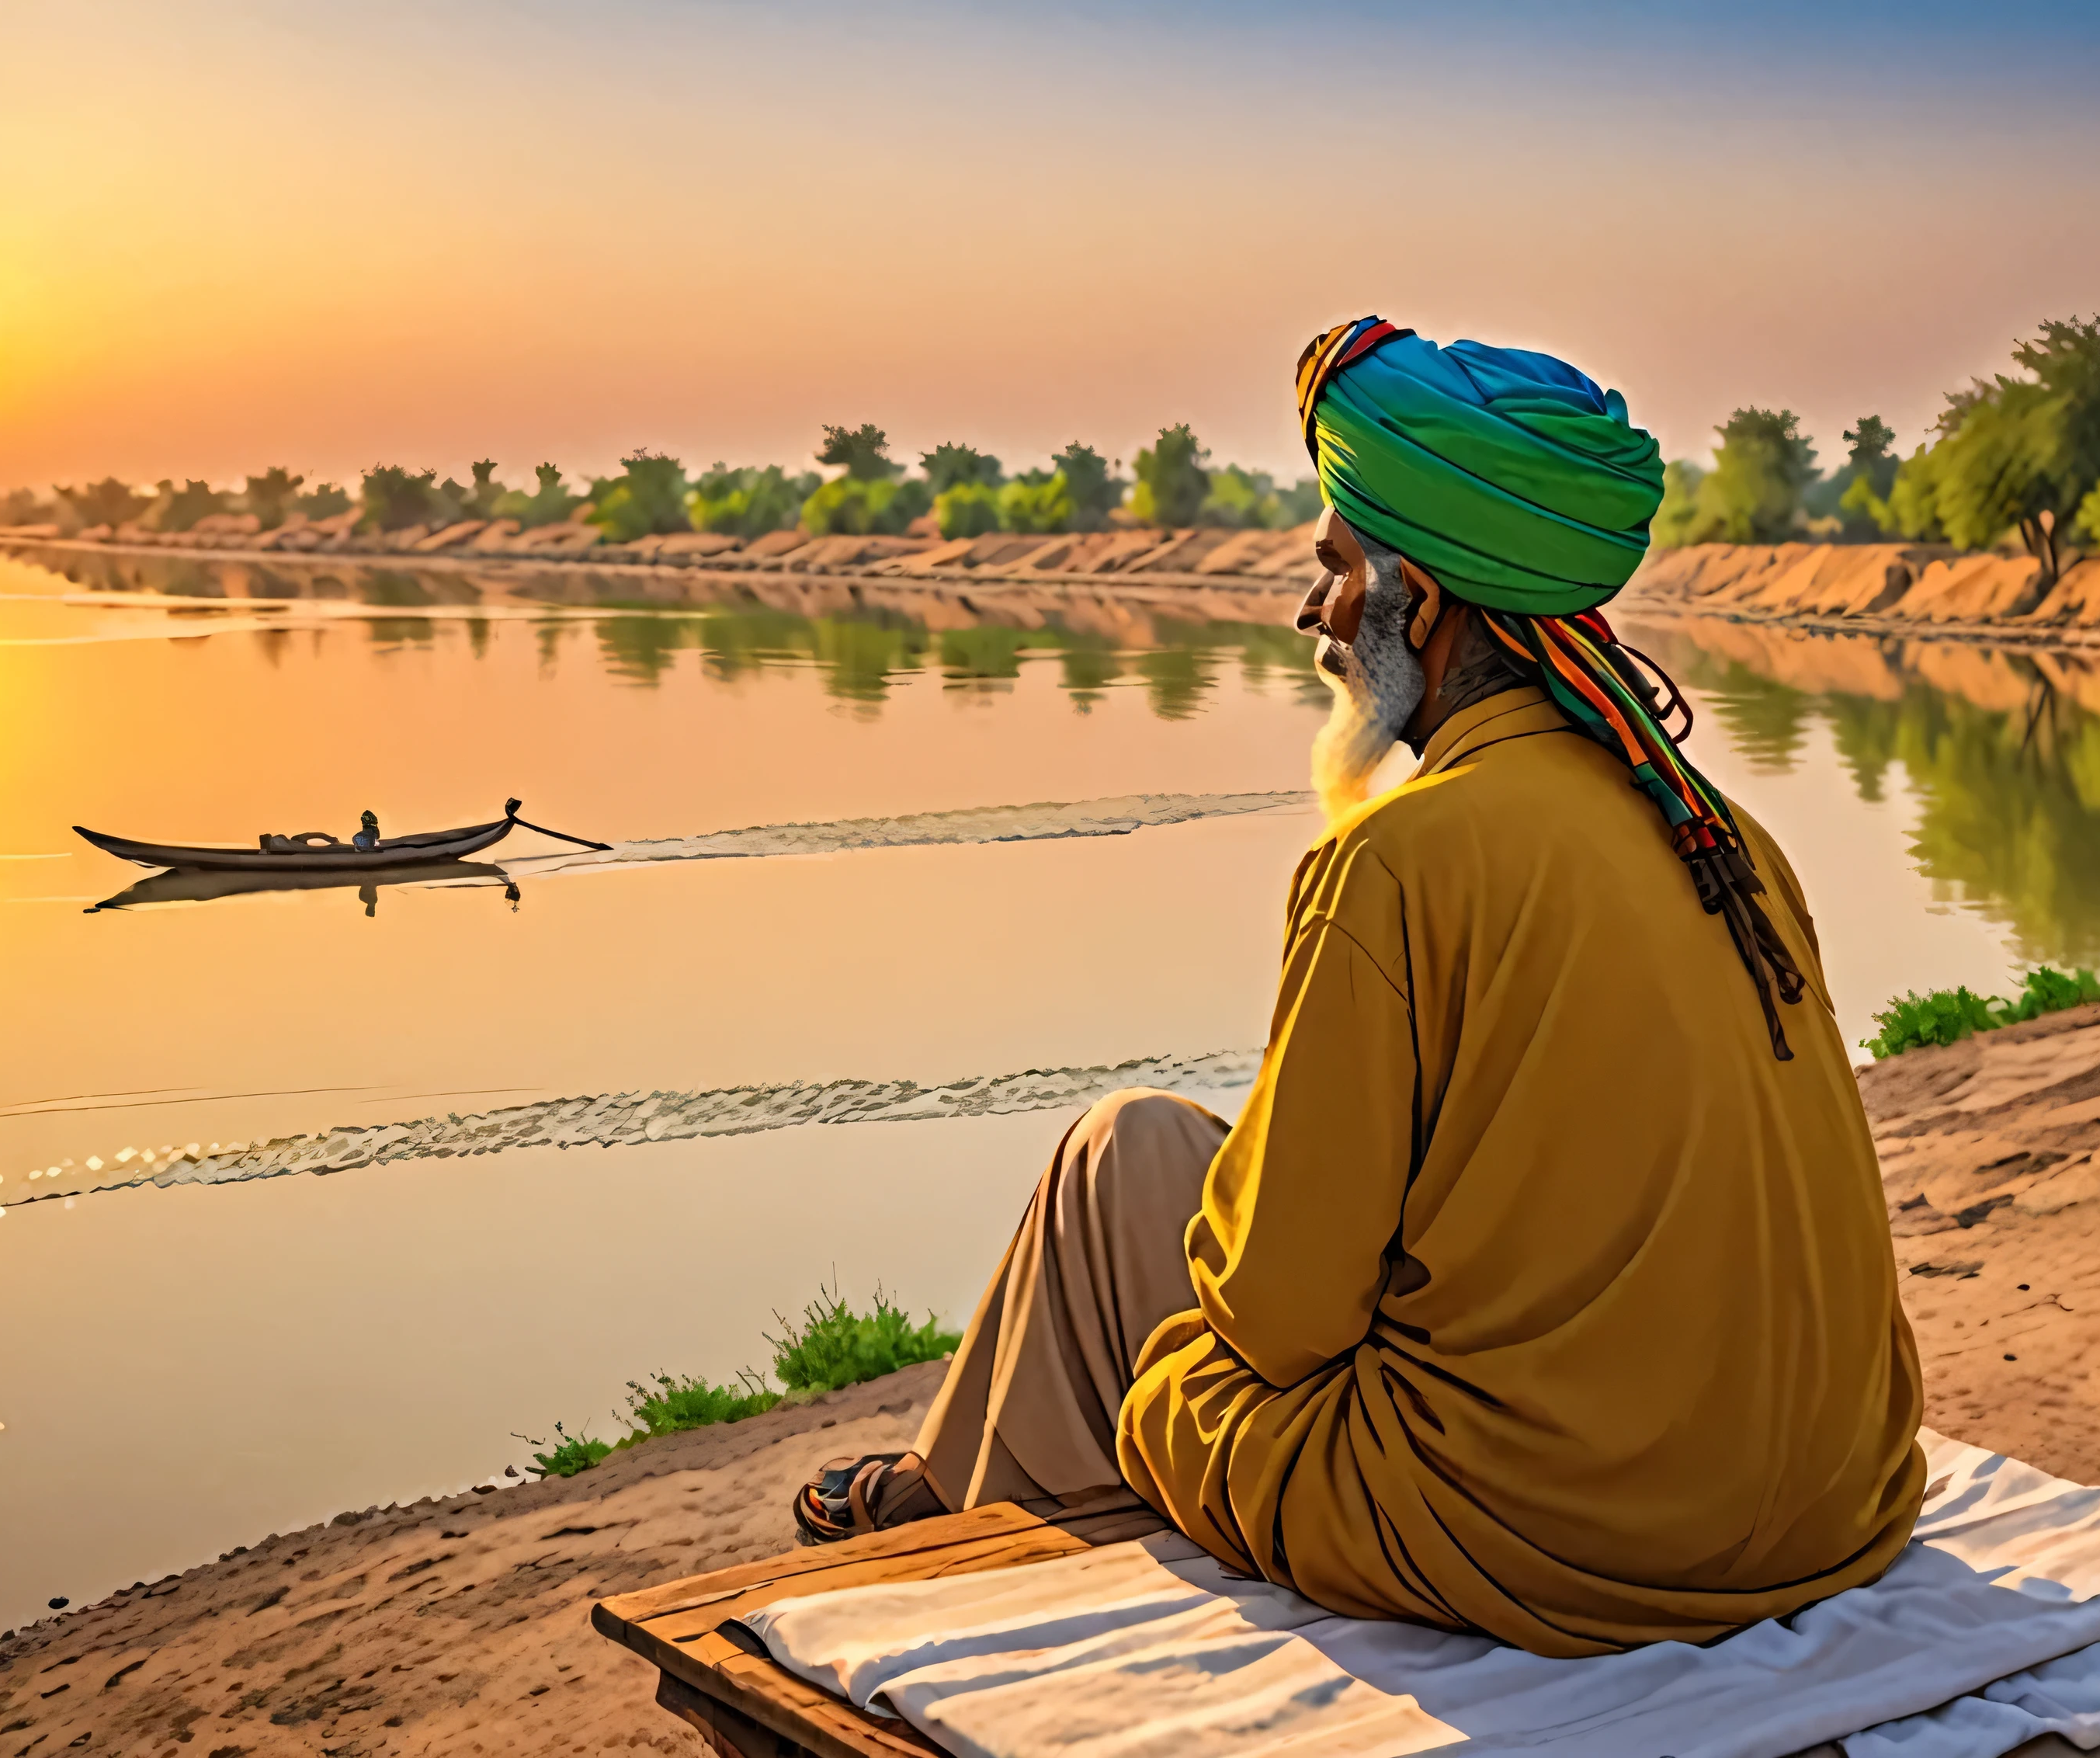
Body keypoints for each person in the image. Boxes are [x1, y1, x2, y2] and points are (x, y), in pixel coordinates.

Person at [793, 320, 1926, 1659]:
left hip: (1554, 1540)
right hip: (1835, 1507)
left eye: (1334, 571)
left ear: (1421, 607)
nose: (1311, 613)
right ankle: (940, 1498)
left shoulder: (1397, 860)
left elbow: (1279, 1312)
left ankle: (956, 1552)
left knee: (1167, 1383)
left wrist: (1255, 1253)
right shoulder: (1719, 832)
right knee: (1132, 1150)